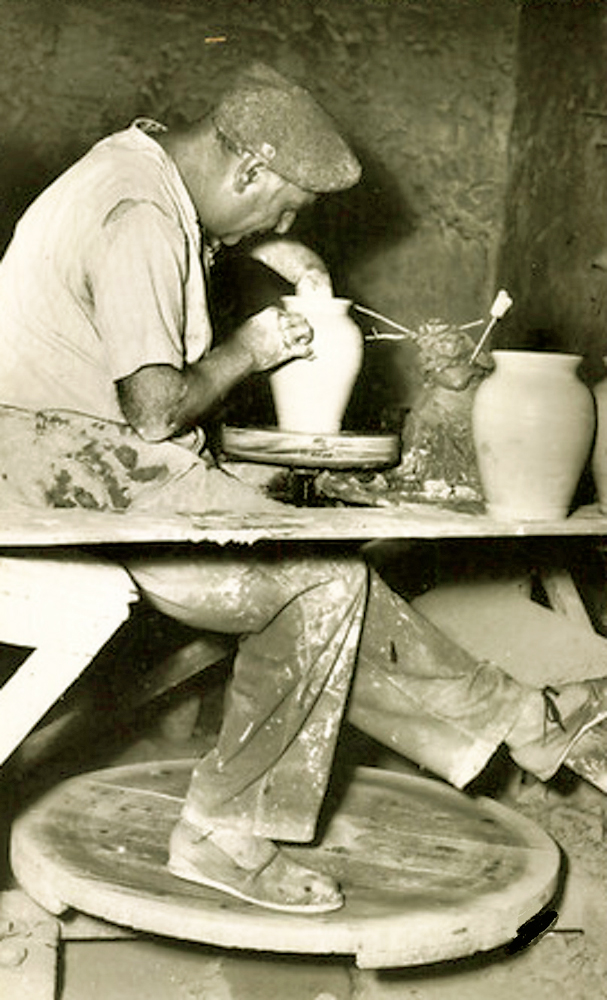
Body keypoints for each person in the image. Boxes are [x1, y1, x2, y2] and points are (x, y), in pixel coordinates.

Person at [1, 62, 607, 915]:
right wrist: (252, 348)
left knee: (322, 570)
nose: (282, 224)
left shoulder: (135, 165)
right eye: (280, 206)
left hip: (75, 457)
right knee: (322, 584)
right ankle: (226, 839)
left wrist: (257, 242)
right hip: (57, 470)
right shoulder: (136, 218)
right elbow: (151, 411)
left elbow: (175, 234)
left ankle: (536, 725)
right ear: (244, 169)